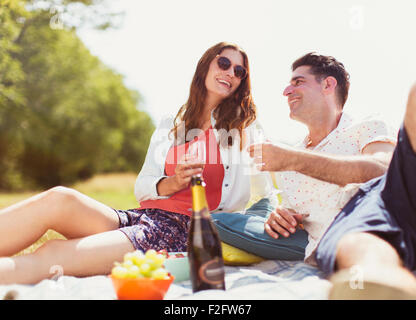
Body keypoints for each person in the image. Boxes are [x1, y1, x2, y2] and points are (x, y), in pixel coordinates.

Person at [0, 42, 270, 285]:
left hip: (182, 232)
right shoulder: (172, 125)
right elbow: (142, 186)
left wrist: (263, 229)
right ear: (206, 65)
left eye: (239, 71)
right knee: (59, 199)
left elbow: (265, 195)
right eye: (224, 63)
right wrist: (174, 182)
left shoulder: (244, 128)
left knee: (55, 254)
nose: (231, 73)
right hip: (144, 218)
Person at [250, 53, 415, 298]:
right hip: (348, 232)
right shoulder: (289, 157)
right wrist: (281, 216)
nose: (286, 91)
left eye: (298, 82)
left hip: (396, 199)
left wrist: (294, 160)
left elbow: (383, 170)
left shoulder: (367, 126)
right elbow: (298, 216)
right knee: (357, 246)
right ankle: (383, 283)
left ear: (328, 85)